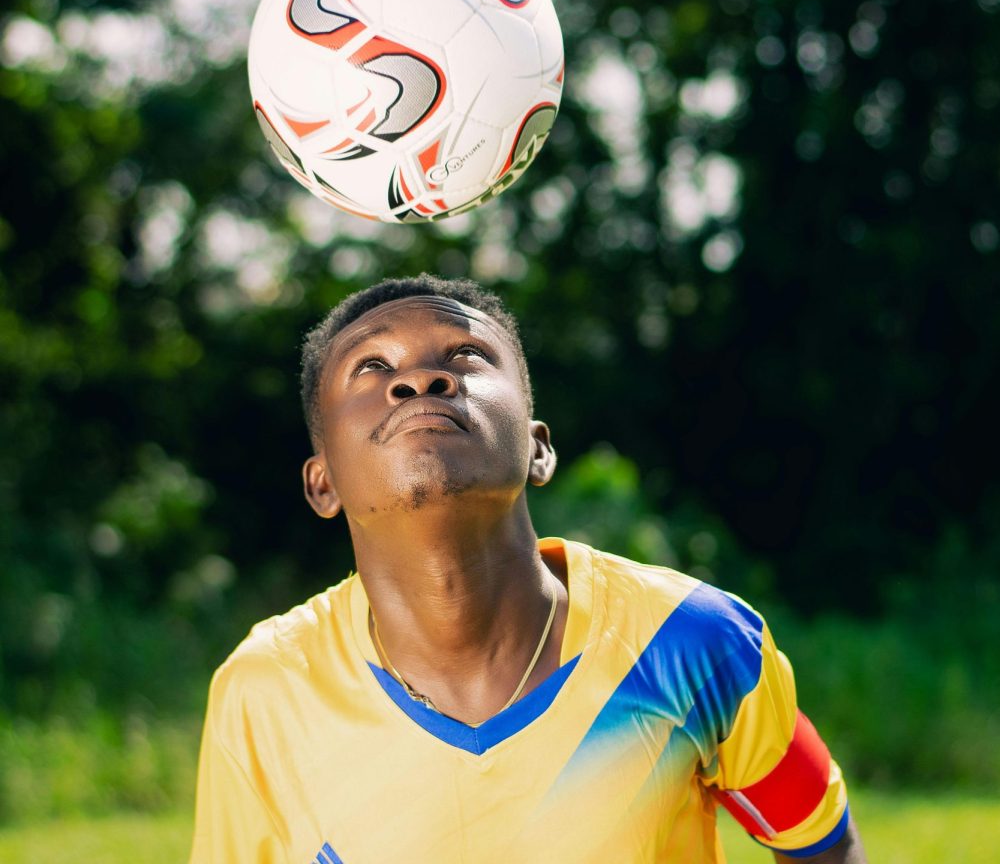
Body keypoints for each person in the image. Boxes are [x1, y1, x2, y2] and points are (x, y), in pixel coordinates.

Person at [189, 273, 868, 864]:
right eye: (371, 369)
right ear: (322, 482)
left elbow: (818, 838)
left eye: (465, 356)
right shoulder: (262, 691)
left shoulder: (694, 641)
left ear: (539, 449)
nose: (420, 379)